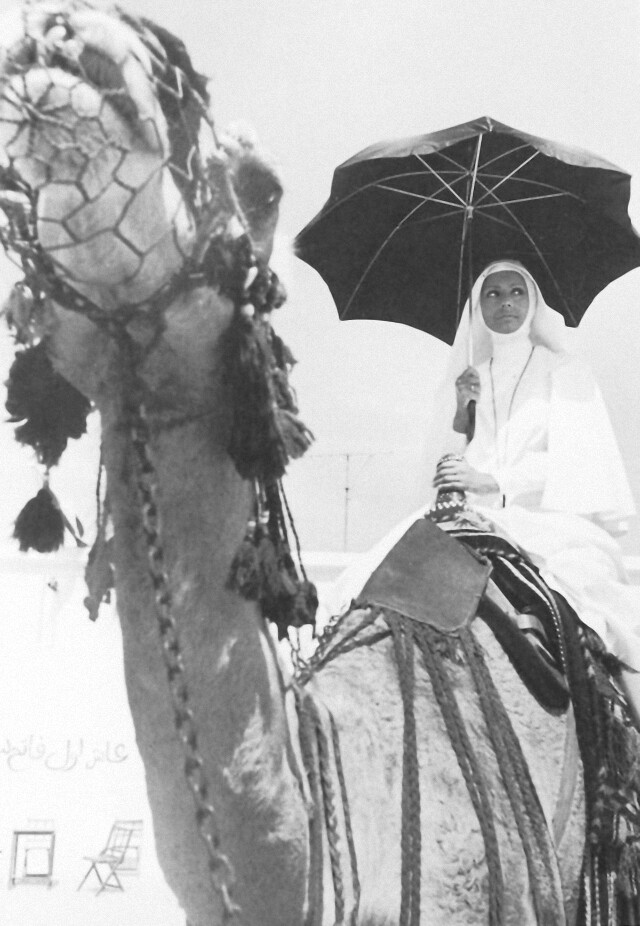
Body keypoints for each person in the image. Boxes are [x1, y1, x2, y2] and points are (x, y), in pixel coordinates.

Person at [324, 258, 640, 716]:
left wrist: (490, 479)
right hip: (479, 516)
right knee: (372, 576)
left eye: (516, 292)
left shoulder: (564, 370)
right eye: (492, 293)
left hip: (551, 521)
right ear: (477, 306)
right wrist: (461, 414)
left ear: (533, 302)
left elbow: (577, 465)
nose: (505, 303)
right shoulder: (471, 377)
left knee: (600, 610)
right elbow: (453, 464)